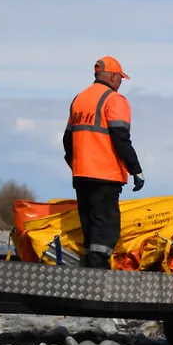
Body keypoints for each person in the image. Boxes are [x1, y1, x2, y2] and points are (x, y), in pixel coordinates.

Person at [63, 56, 145, 269]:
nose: (120, 83)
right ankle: (98, 270)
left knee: (89, 224)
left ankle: (91, 267)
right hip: (105, 174)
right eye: (120, 78)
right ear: (112, 76)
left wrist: (75, 164)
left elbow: (67, 139)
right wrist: (135, 169)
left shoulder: (79, 99)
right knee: (106, 226)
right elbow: (120, 137)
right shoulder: (115, 100)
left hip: (81, 175)